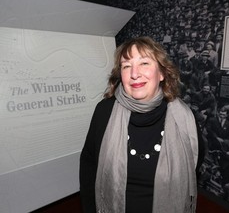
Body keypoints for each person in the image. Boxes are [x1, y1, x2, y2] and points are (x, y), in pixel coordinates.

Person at [79, 36, 199, 213]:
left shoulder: (185, 119)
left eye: (144, 63)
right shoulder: (104, 111)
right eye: (126, 66)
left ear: (162, 73)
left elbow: (195, 164)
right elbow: (88, 166)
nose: (134, 74)